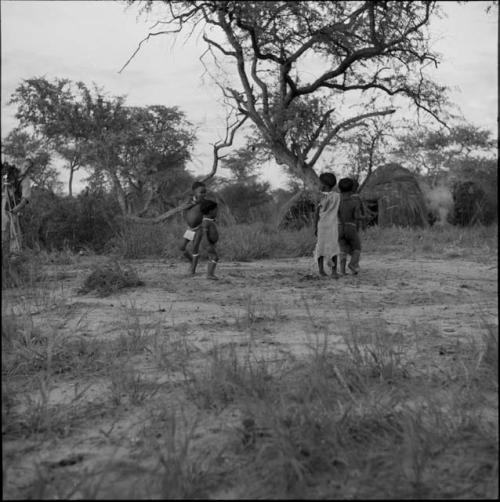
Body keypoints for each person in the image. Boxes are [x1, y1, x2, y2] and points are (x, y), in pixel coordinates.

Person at [1, 158, 33, 259]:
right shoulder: (11, 173)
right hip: (4, 202)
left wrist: (16, 209)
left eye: (28, 167)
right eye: (25, 166)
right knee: (4, 227)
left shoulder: (26, 180)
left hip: (16, 206)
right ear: (21, 164)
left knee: (14, 227)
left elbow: (25, 199)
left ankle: (15, 254)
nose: (26, 169)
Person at [313, 172, 340, 278]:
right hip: (333, 225)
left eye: (319, 183)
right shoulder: (337, 196)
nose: (318, 185)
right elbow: (339, 210)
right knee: (334, 248)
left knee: (320, 247)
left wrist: (315, 226)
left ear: (324, 184)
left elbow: (316, 213)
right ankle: (334, 272)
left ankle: (321, 270)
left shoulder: (320, 197)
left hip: (322, 226)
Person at [179, 181, 207, 274]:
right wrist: (194, 203)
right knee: (182, 247)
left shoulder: (204, 203)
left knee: (195, 248)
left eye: (204, 192)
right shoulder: (190, 200)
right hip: (190, 229)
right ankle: (192, 261)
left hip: (198, 229)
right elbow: (183, 207)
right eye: (201, 192)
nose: (203, 194)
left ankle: (193, 270)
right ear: (195, 192)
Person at [338, 177, 364, 275]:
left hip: (339, 227)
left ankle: (342, 271)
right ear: (352, 189)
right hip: (351, 227)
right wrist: (364, 217)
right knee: (357, 248)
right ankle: (353, 264)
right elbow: (357, 216)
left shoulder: (338, 202)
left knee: (343, 249)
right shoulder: (354, 202)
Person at [191, 199, 219, 280]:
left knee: (212, 257)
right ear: (210, 211)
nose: (217, 213)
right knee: (215, 257)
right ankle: (210, 274)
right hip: (208, 244)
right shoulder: (206, 222)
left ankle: (210, 273)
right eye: (216, 211)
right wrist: (207, 244)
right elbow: (204, 234)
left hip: (210, 243)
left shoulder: (209, 221)